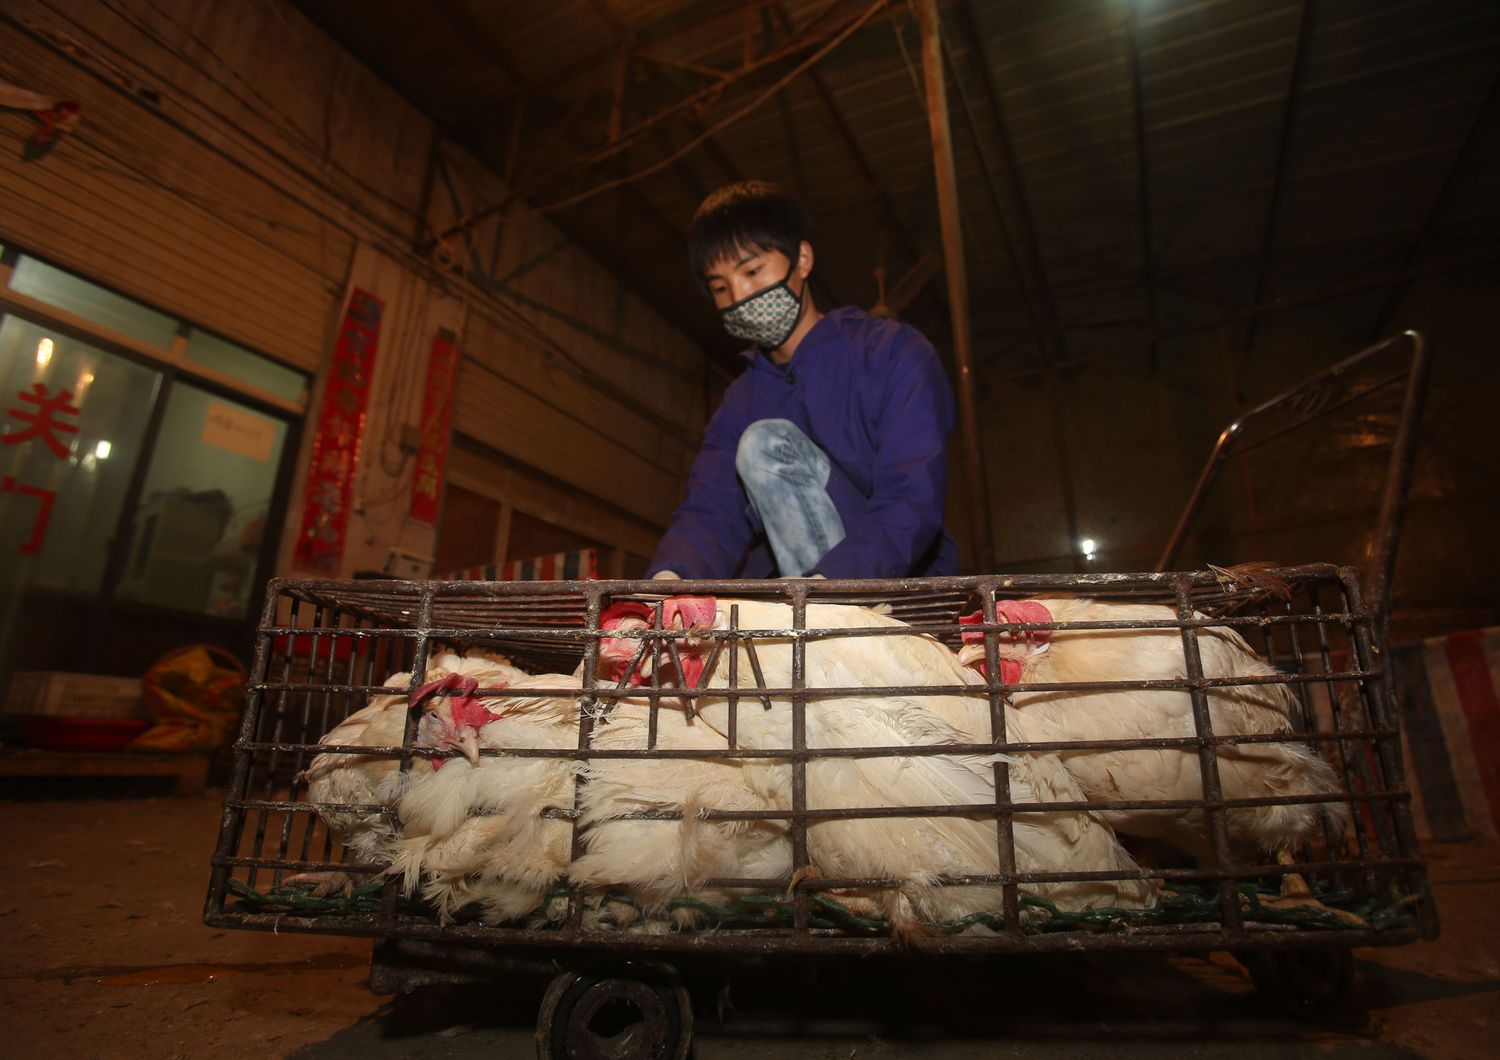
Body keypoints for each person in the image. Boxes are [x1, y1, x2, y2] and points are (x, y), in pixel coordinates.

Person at [646, 181, 959, 581]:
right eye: (720, 288)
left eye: (753, 271)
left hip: (895, 585)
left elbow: (912, 496)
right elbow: (711, 509)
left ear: (803, 259)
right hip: (788, 595)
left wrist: (831, 584)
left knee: (765, 445)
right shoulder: (739, 402)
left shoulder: (892, 353)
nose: (740, 296)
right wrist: (669, 580)